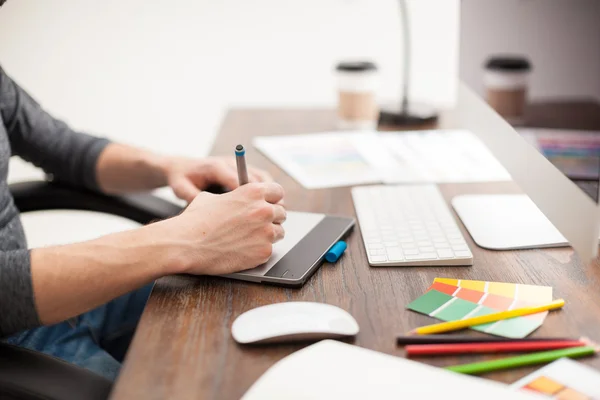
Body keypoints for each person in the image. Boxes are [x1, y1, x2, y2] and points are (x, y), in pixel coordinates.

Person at [0, 63, 286, 381]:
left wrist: (171, 167)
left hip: (52, 296)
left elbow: (67, 150)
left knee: (247, 303)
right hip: (13, 339)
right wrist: (187, 238)